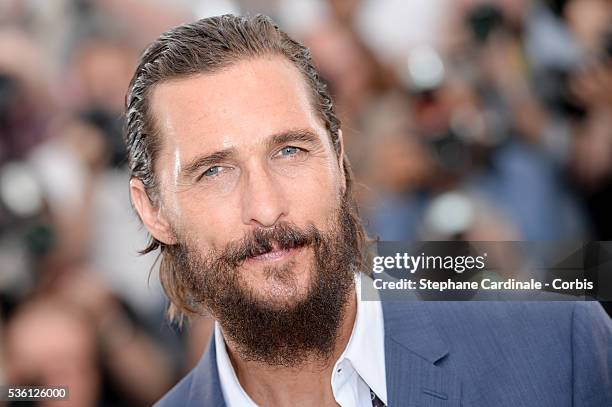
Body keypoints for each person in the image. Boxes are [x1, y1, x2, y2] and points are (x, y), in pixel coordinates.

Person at [124, 14, 611, 407]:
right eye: (213, 171)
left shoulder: (559, 352)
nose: (267, 207)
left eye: (290, 151)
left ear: (339, 159)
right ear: (154, 211)